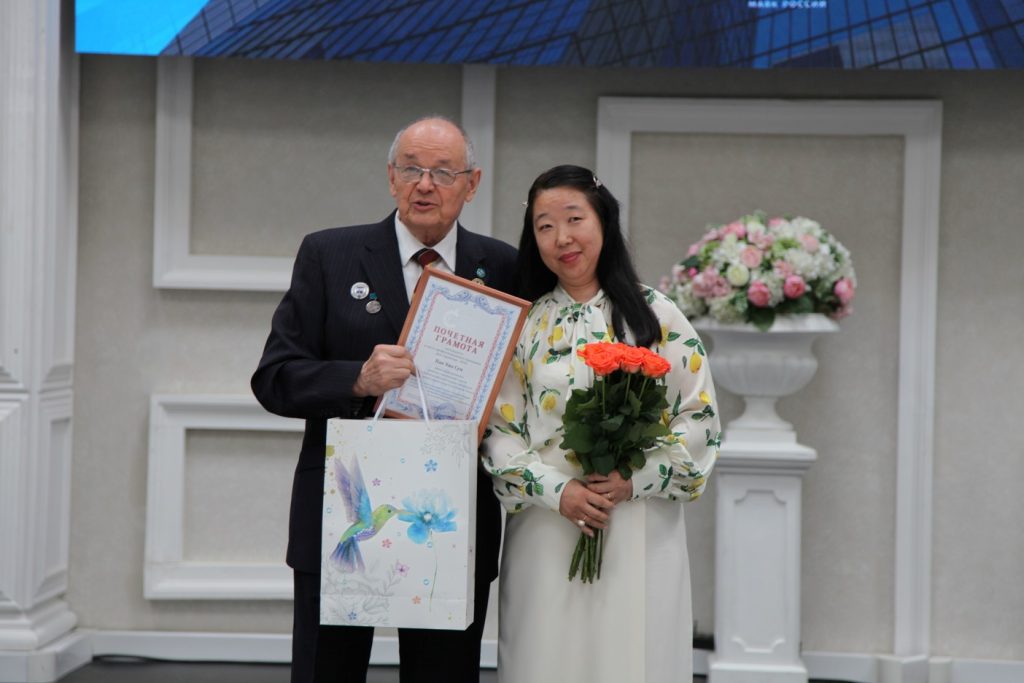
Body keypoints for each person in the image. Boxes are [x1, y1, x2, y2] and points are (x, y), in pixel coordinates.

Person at [252, 116, 518, 683]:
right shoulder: (329, 254)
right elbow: (274, 378)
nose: (425, 184)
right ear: (391, 178)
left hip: (448, 519)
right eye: (411, 169)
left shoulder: (503, 266)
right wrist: (357, 379)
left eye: (443, 172)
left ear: (472, 184)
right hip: (343, 517)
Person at [482, 165, 722, 682]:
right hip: (546, 526)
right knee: (547, 659)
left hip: (638, 525)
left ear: (604, 223)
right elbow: (498, 431)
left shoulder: (656, 317)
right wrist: (558, 492)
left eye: (575, 219)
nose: (562, 238)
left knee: (632, 658)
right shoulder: (524, 324)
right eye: (545, 226)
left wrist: (634, 480)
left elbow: (700, 419)